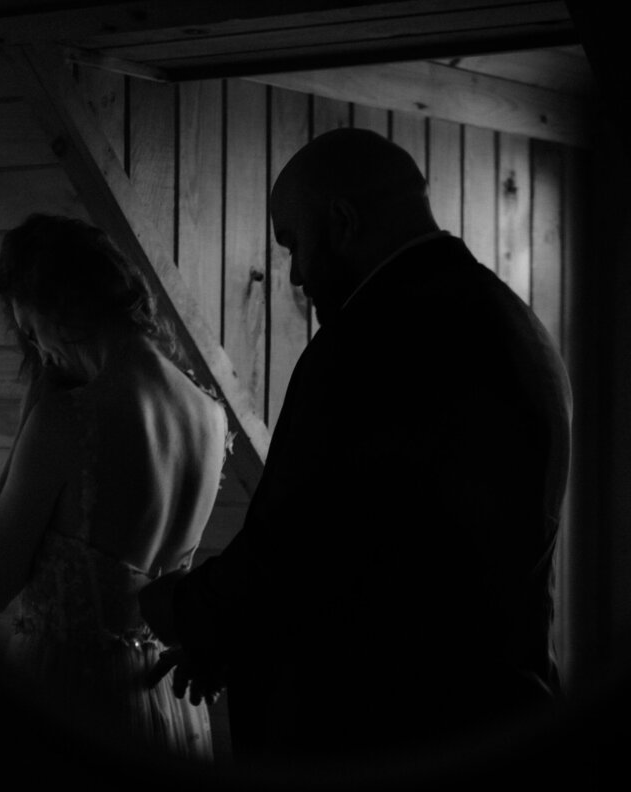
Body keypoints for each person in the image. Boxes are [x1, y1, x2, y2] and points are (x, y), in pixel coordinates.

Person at [139, 127, 573, 766]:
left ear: (342, 221)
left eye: (294, 245)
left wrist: (179, 610)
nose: (295, 275)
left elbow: (288, 549)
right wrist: (242, 646)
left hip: (383, 734)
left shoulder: (366, 345)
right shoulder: (516, 322)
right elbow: (378, 545)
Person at [0, 213, 230, 762]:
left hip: (71, 694)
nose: (38, 351)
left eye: (31, 330)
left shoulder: (68, 419)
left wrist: (36, 405)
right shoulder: (210, 413)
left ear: (52, 309)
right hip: (162, 700)